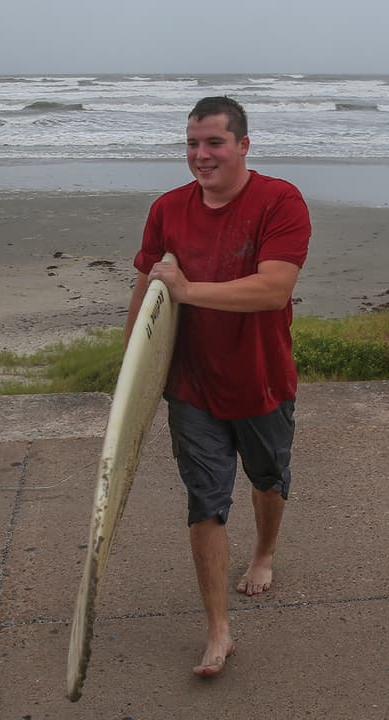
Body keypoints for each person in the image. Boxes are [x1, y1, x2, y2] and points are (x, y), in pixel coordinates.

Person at [125, 96, 312, 678]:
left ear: (243, 146)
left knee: (268, 478)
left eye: (213, 143)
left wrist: (188, 290)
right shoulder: (167, 210)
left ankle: (263, 552)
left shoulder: (280, 201)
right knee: (204, 502)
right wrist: (130, 370)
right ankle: (218, 631)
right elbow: (146, 287)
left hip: (261, 381)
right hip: (192, 386)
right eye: (191, 143)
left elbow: (272, 290)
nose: (200, 156)